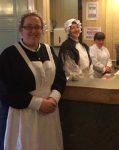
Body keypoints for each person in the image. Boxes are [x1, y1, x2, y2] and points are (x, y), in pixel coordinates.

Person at [0, 12, 66, 150]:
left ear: (42, 29)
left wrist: (54, 98)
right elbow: (5, 89)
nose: (33, 31)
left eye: (37, 27)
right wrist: (37, 103)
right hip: (24, 114)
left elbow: (59, 77)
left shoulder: (49, 50)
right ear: (21, 30)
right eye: (28, 27)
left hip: (50, 110)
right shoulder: (9, 54)